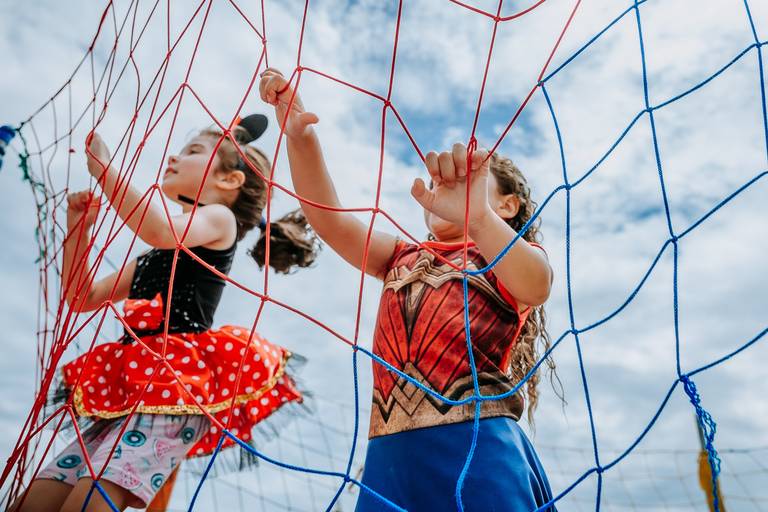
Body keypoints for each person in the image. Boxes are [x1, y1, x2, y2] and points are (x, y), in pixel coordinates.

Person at [260, 68, 558, 511]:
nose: (448, 188)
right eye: (442, 183)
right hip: (390, 453)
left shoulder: (505, 257)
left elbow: (537, 284)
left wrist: (478, 218)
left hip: (476, 445)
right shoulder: (401, 255)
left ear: (507, 205)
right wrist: (301, 140)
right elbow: (331, 219)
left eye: (468, 182)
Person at [12, 114, 319, 511]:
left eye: (193, 151)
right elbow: (83, 296)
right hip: (133, 385)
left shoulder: (218, 219)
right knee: (38, 498)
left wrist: (108, 172)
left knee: (90, 497)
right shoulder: (155, 256)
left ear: (229, 180)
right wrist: (79, 230)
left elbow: (160, 229)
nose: (174, 157)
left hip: (176, 384)